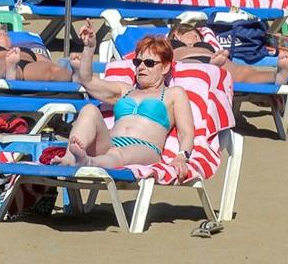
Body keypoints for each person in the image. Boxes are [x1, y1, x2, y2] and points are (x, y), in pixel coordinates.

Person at [68, 30, 194, 172]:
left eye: (149, 63)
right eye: (137, 62)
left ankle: (88, 162)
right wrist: (89, 48)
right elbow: (87, 80)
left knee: (117, 153)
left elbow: (186, 133)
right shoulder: (125, 90)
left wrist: (182, 156)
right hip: (110, 143)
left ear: (165, 67)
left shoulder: (174, 94)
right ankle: (69, 158)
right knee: (89, 110)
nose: (141, 67)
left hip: (146, 148)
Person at [0, 26, 74, 86]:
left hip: (26, 65)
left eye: (5, 34)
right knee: (2, 68)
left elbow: (48, 63)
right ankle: (10, 72)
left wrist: (56, 68)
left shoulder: (24, 50)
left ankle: (73, 78)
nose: (1, 33)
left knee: (52, 70)